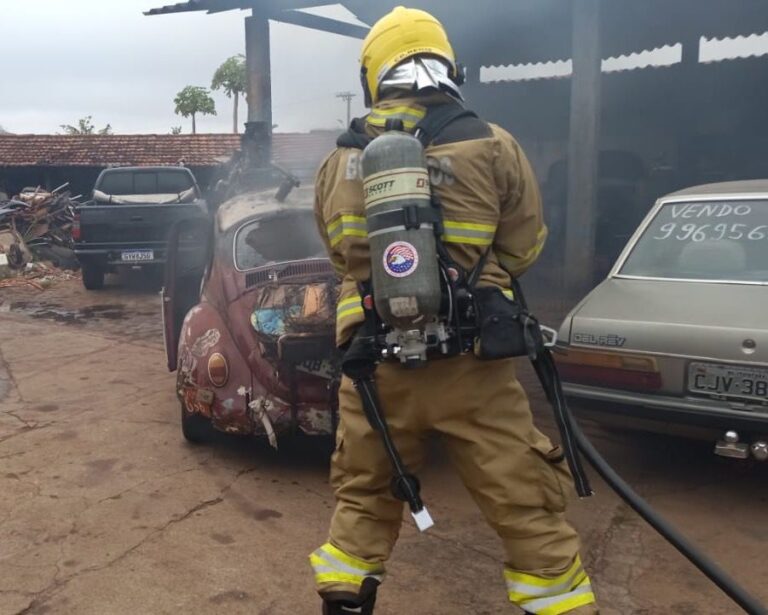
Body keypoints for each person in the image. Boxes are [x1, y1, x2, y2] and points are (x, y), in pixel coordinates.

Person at [309, 6, 599, 614]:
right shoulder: (492, 144)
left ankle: (344, 602)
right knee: (525, 506)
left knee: (363, 498)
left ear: (374, 72)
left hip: (376, 366)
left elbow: (339, 253)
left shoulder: (339, 159)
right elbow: (526, 244)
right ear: (446, 65)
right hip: (473, 366)